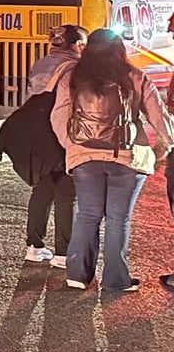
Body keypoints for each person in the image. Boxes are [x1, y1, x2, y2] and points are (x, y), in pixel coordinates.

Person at [50, 28, 172, 292]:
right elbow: (159, 118)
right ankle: (116, 280)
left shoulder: (71, 77)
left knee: (88, 215)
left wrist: (74, 147)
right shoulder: (135, 77)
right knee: (118, 219)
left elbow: (58, 118)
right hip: (127, 158)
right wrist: (165, 145)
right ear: (119, 49)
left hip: (85, 158)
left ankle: (78, 275)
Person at [5, 24, 87, 268]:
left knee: (42, 189)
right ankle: (63, 253)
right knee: (66, 193)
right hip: (61, 132)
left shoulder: (41, 63)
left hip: (38, 135)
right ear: (76, 44)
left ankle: (35, 245)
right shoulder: (76, 68)